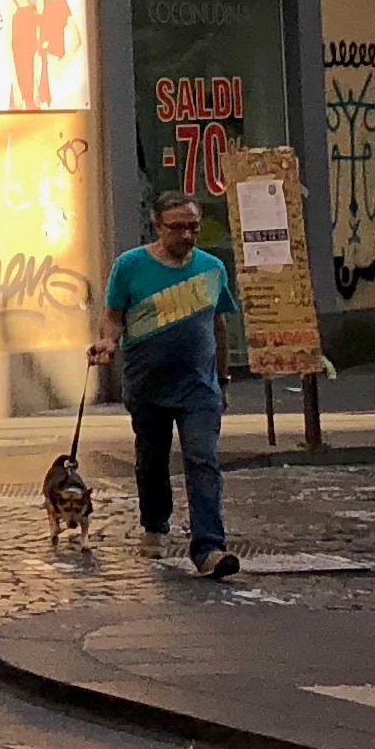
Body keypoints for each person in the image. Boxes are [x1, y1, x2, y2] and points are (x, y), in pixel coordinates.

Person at [96, 189, 244, 578]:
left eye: (193, 227)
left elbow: (219, 324)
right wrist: (108, 342)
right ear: (158, 226)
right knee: (151, 459)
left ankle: (209, 548)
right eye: (177, 227)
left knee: (202, 459)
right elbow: (114, 316)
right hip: (147, 384)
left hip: (200, 388)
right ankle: (155, 525)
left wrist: (223, 381)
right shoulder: (130, 266)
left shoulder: (212, 268)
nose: (187, 235)